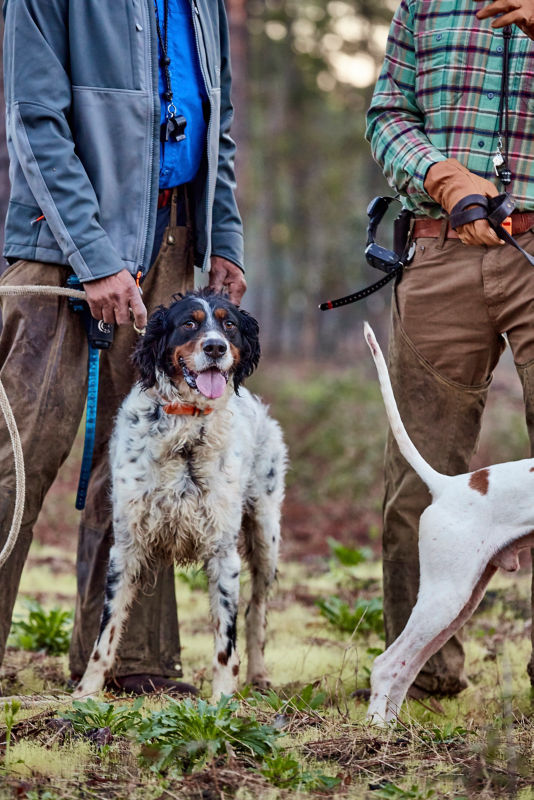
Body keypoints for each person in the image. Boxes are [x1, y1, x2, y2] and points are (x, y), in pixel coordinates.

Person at [0, 0, 246, 695]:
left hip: (170, 245)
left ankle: (131, 661)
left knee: (144, 462)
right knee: (16, 453)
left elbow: (215, 123)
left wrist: (221, 237)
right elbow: (34, 120)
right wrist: (95, 256)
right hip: (57, 249)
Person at [366, 0, 534, 698]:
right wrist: (444, 177)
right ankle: (423, 680)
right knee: (420, 482)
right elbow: (386, 116)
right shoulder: (424, 7)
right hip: (440, 249)